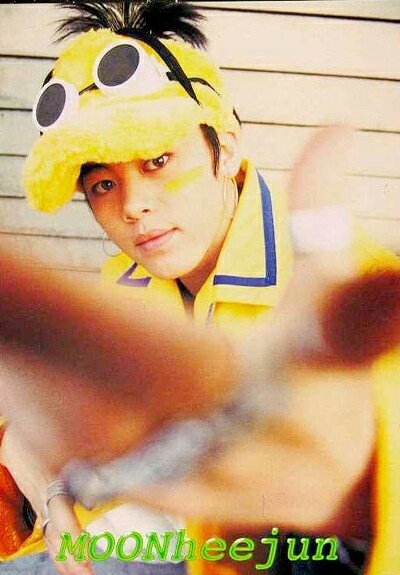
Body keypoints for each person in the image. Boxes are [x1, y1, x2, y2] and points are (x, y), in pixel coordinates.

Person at [0, 1, 399, 574]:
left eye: (158, 160)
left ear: (226, 149)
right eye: (104, 184)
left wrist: (359, 503)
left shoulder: (346, 302)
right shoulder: (124, 287)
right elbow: (35, 433)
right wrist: (55, 506)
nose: (133, 205)